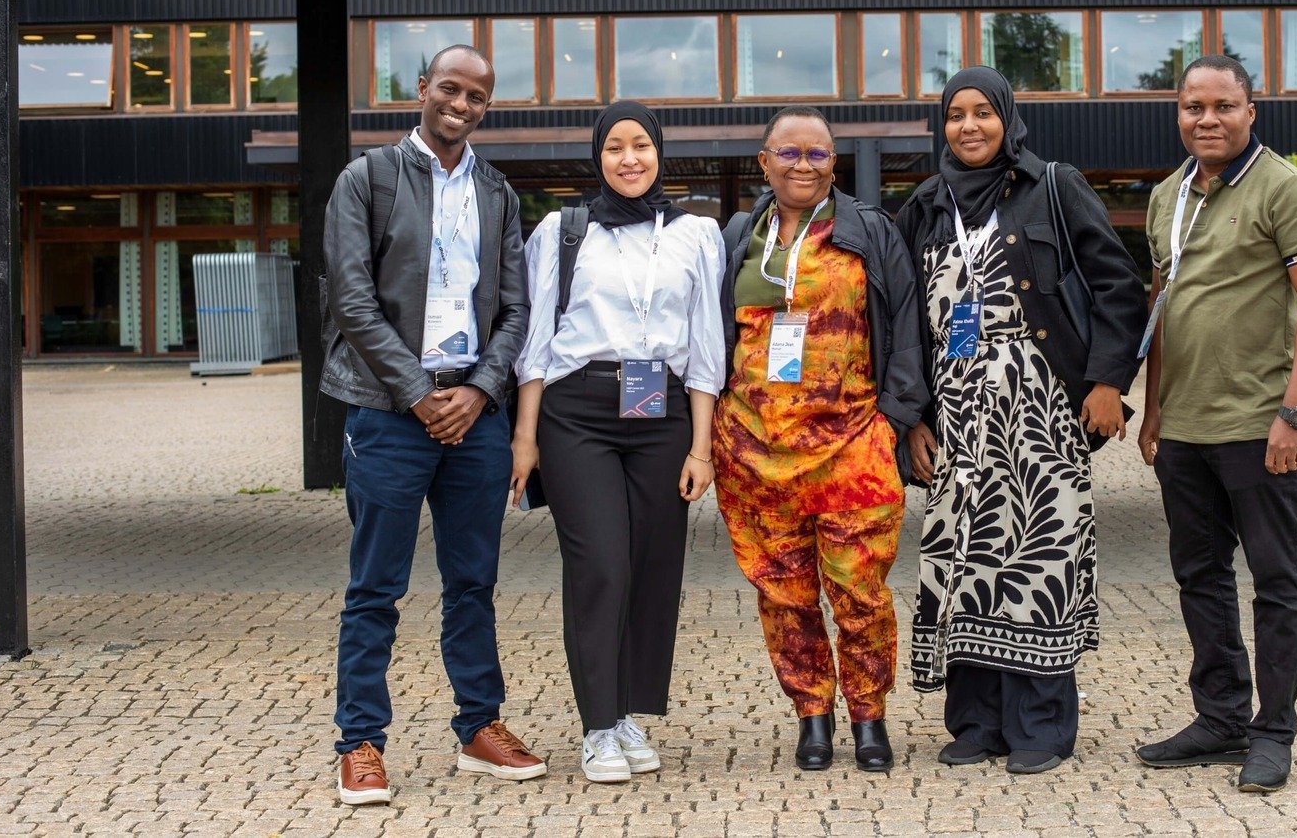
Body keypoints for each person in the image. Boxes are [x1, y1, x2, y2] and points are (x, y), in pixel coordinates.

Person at [897, 66, 1147, 776]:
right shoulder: (922, 203)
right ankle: (975, 722)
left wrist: (1106, 382)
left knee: (1039, 554)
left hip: (1039, 404)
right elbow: (902, 321)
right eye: (955, 115)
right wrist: (913, 417)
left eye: (983, 112)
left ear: (1008, 118)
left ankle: (1039, 725)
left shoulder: (1053, 186)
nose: (969, 126)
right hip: (953, 408)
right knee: (960, 557)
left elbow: (1115, 285)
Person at [321, 44, 542, 806]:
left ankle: (479, 726)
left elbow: (516, 309)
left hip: (473, 417)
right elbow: (351, 300)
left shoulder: (497, 191)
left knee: (472, 583)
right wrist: (419, 393)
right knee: (374, 586)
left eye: (478, 95)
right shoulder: (367, 179)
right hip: (388, 412)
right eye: (450, 88)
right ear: (421, 90)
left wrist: (479, 392)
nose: (462, 103)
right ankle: (360, 741)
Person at [1135, 55, 1297, 794]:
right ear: (1178, 112)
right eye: (1193, 106)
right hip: (1184, 428)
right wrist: (1154, 406)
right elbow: (1161, 306)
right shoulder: (1167, 196)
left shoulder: (1285, 189)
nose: (1207, 119)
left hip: (1260, 425)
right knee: (1199, 575)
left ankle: (1272, 732)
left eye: (1223, 105)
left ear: (1251, 111)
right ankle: (1219, 719)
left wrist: (1294, 412)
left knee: (1276, 578)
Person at [511, 100, 725, 783]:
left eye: (640, 145)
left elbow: (704, 346)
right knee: (601, 563)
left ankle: (629, 711)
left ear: (659, 153)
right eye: (614, 147)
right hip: (576, 414)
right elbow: (536, 341)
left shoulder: (695, 234)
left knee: (653, 566)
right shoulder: (561, 230)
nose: (628, 158)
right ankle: (598, 727)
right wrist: (524, 436)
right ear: (596, 156)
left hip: (662, 411)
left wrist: (701, 446)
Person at [713, 107, 927, 772]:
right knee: (783, 595)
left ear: (832, 161)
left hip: (850, 447)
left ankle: (869, 717)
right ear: (764, 161)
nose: (802, 165)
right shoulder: (737, 235)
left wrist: (895, 414)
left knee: (859, 592)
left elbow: (905, 323)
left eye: (816, 153)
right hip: (751, 453)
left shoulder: (868, 230)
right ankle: (811, 715)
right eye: (789, 153)